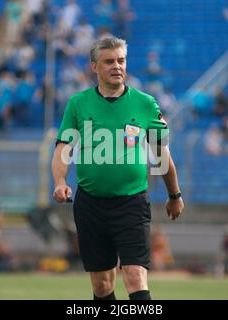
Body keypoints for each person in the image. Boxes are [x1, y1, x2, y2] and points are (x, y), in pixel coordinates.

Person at [51, 37, 184, 300]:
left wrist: (174, 195)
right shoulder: (78, 104)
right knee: (102, 285)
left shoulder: (145, 104)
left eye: (121, 60)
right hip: (90, 205)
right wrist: (59, 181)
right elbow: (63, 148)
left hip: (131, 203)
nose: (117, 66)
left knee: (134, 274)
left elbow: (161, 155)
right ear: (94, 67)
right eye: (109, 61)